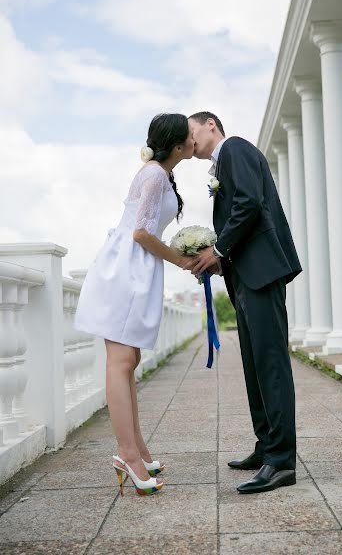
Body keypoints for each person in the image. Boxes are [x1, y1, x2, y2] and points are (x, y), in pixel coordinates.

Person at [74, 113, 198, 496]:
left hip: (137, 267)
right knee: (121, 360)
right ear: (178, 146)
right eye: (190, 136)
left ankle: (137, 449)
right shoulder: (155, 175)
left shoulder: (162, 174)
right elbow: (142, 231)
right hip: (126, 268)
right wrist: (181, 258)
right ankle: (127, 453)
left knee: (129, 360)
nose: (195, 140)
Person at [189, 112, 302, 494]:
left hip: (262, 273)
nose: (189, 142)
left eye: (191, 131)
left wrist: (218, 250)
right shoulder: (221, 163)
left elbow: (249, 203)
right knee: (255, 367)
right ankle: (266, 446)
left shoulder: (234, 147)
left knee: (271, 366)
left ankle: (282, 461)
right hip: (245, 276)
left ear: (210, 125)